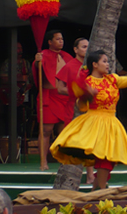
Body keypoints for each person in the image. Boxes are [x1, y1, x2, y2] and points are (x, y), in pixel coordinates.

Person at [50, 50, 127, 190]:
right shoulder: (87, 83)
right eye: (104, 61)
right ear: (95, 64)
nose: (108, 64)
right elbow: (80, 105)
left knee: (109, 159)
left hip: (111, 123)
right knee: (104, 158)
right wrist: (88, 95)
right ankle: (102, 191)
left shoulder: (112, 79)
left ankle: (95, 193)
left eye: (108, 61)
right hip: (94, 123)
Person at [55, 37, 94, 184]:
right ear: (75, 50)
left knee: (89, 141)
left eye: (88, 47)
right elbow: (59, 88)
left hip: (91, 108)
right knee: (73, 141)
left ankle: (90, 175)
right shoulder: (70, 66)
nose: (86, 49)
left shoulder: (93, 66)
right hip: (73, 108)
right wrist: (77, 92)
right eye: (83, 47)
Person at [33, 30, 73, 170]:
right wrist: (38, 62)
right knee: (46, 130)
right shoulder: (43, 55)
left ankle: (63, 160)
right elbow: (39, 69)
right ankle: (43, 162)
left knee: (64, 130)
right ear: (50, 42)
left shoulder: (67, 56)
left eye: (62, 39)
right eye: (57, 39)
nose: (61, 41)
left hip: (64, 97)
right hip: (49, 96)